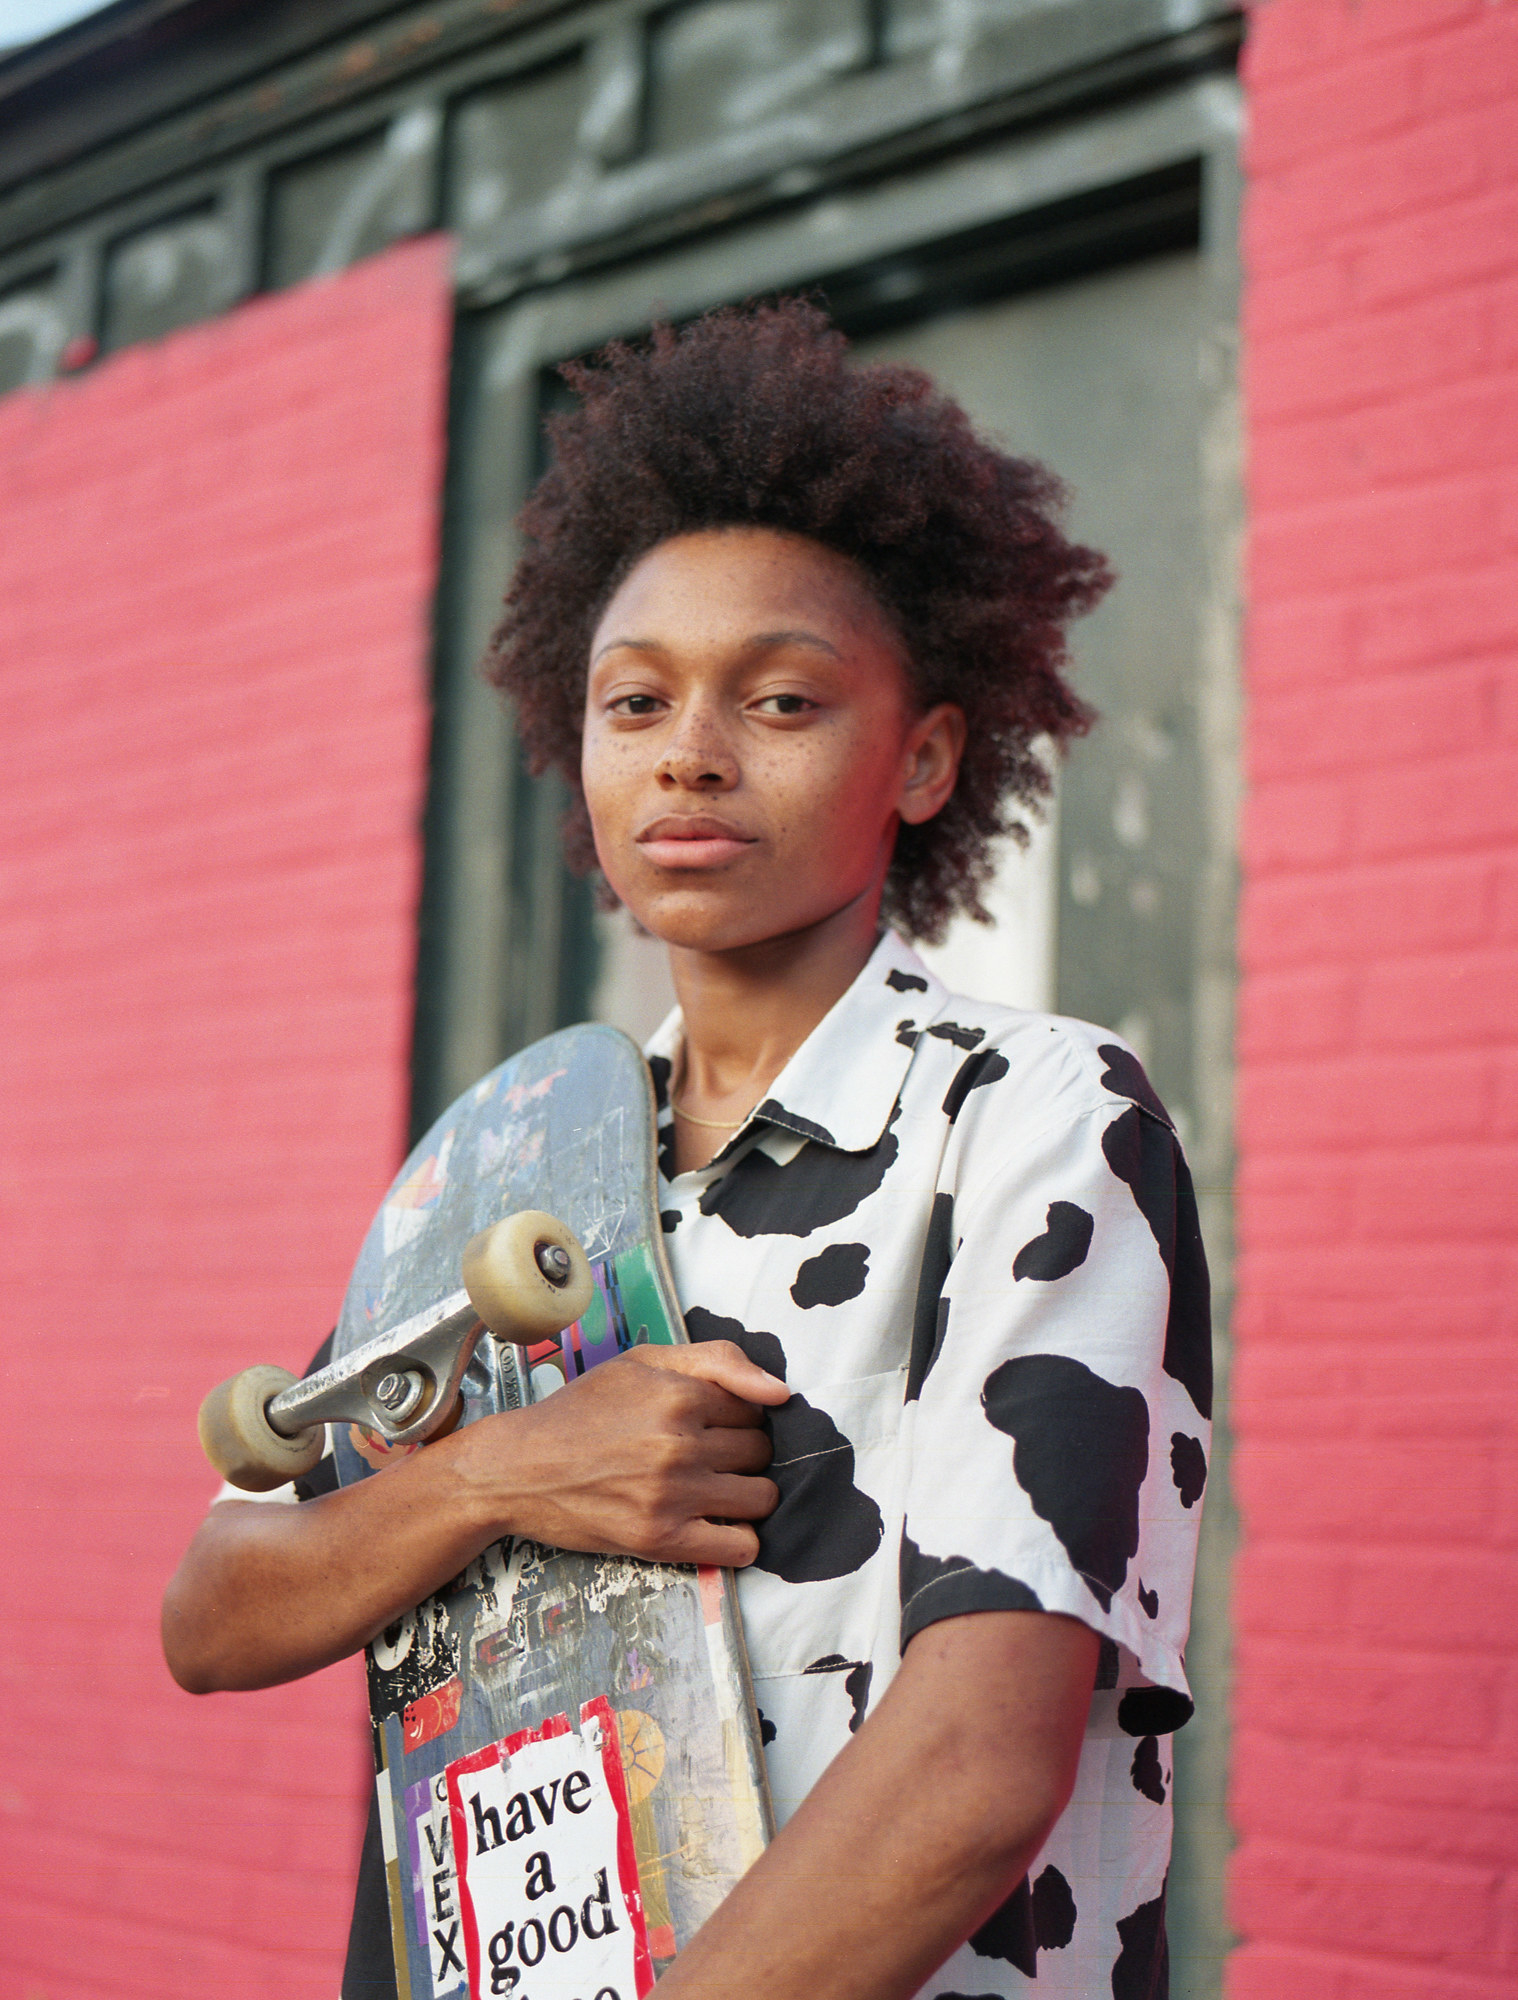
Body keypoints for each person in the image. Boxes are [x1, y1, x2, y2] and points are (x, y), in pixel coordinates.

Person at [163, 299, 1210, 1999]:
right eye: (633, 701)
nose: (690, 755)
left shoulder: (1025, 1120)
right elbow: (217, 1608)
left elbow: (970, 1780)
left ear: (925, 755)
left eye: (781, 700)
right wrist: (511, 1471)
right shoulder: (509, 1167)